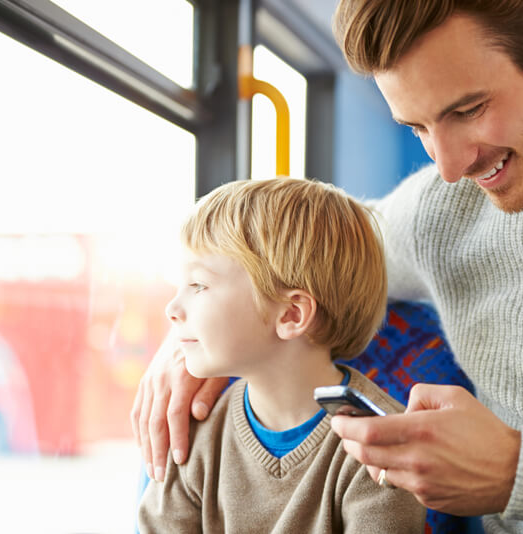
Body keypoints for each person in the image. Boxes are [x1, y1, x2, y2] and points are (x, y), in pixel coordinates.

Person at [132, 0, 523, 531]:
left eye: (467, 109)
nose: (448, 165)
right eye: (417, 127)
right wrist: (188, 332)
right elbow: (293, 257)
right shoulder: (446, 209)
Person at [136, 178, 425, 533]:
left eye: (199, 285)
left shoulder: (378, 447)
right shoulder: (195, 432)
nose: (172, 308)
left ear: (291, 315)